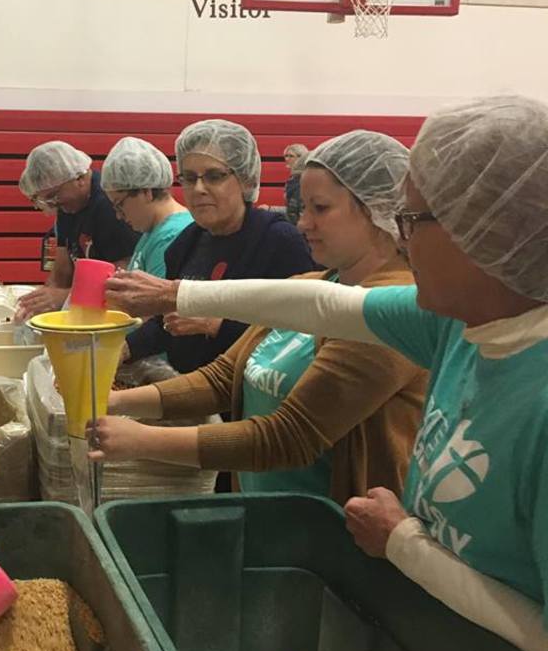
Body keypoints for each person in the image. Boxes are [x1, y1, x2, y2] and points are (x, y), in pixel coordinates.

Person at [103, 96, 548, 651]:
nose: (403, 237)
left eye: (411, 220)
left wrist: (407, 546)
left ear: (488, 234)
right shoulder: (457, 324)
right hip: (428, 640)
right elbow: (319, 302)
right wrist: (176, 294)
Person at [95, 131, 425, 506]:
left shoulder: (390, 311)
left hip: (333, 532)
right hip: (268, 513)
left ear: (375, 211)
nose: (303, 224)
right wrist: (113, 403)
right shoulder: (309, 285)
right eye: (303, 209)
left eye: (320, 208)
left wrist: (138, 440)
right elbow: (224, 378)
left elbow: (290, 436)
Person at [121, 120, 316, 375]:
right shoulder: (185, 243)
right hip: (190, 394)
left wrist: (215, 325)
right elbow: (166, 322)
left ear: (246, 180)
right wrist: (123, 349)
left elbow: (296, 336)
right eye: (189, 178)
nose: (199, 189)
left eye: (214, 176)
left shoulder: (278, 241)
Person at [15, 140, 140, 319]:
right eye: (46, 200)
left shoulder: (109, 206)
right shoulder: (68, 207)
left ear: (79, 178)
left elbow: (125, 281)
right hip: (87, 306)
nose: (53, 204)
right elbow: (61, 272)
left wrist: (64, 297)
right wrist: (40, 302)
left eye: (54, 195)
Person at [100, 136, 192, 277]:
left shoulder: (172, 237)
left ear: (146, 192)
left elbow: (154, 298)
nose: (119, 216)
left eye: (120, 205)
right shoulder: (152, 232)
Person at [282, 143, 310, 224]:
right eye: (286, 156)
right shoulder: (293, 179)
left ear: (301, 158)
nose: (287, 159)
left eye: (291, 156)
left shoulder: (303, 179)